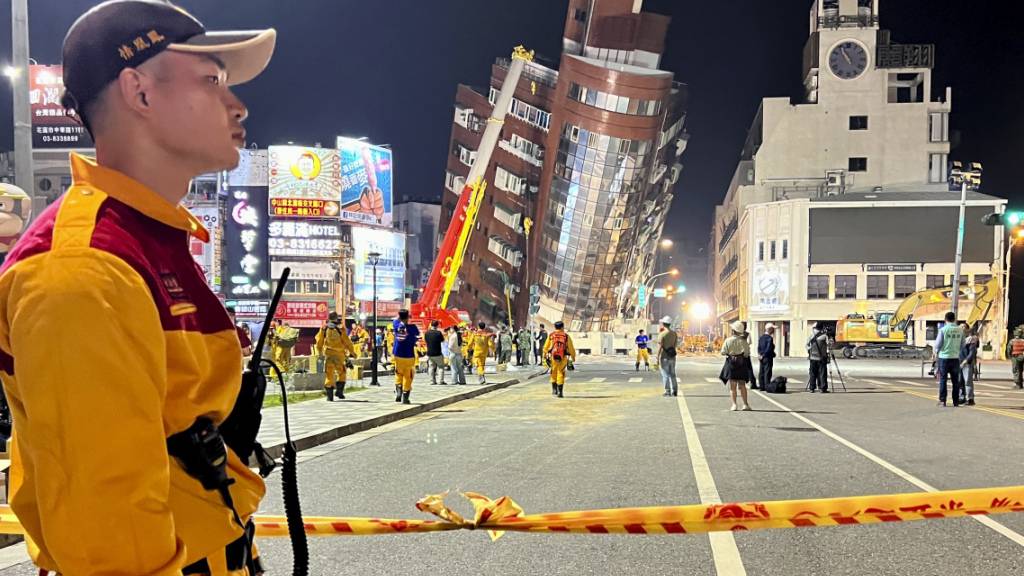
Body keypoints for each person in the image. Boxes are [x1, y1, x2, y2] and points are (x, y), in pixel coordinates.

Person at [0, 1, 277, 573]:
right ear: (140, 92)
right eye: (213, 79)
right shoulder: (83, 269)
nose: (237, 102)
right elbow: (112, 542)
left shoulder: (148, 239)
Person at [316, 312, 356, 401]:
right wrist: (352, 352)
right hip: (339, 355)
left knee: (329, 374)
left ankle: (329, 396)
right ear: (336, 318)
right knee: (341, 372)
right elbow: (347, 342)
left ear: (328, 318)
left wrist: (319, 352)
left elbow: (319, 341)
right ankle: (339, 392)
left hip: (328, 354)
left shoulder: (324, 328)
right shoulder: (340, 328)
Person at [934, 311, 964, 407]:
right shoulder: (960, 330)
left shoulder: (943, 330)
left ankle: (943, 400)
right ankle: (956, 401)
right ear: (954, 319)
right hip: (955, 358)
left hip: (944, 357)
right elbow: (963, 344)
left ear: (945, 320)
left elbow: (938, 344)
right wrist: (957, 351)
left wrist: (935, 352)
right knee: (955, 381)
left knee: (943, 379)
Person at [720, 321, 753, 411]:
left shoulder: (728, 340)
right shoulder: (743, 341)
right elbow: (747, 354)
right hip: (741, 365)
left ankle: (734, 405)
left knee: (732, 386)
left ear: (733, 331)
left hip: (731, 365)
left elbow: (723, 352)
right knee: (742, 385)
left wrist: (730, 353)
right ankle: (745, 404)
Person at [392, 309, 420, 404]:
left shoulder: (396, 325)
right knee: (408, 376)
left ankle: (398, 391)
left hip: (397, 354)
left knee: (398, 373)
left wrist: (401, 317)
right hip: (409, 355)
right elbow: (417, 335)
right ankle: (405, 396)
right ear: (408, 317)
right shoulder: (413, 328)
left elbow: (396, 320)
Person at [543, 321, 576, 398]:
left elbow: (545, 347)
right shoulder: (566, 336)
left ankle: (554, 390)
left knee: (553, 372)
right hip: (563, 357)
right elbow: (571, 348)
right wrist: (573, 357)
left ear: (555, 327)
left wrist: (544, 356)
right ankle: (560, 392)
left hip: (553, 357)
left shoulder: (551, 335)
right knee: (561, 373)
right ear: (562, 327)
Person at [657, 316, 679, 397]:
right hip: (672, 357)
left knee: (665, 374)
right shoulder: (674, 334)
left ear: (663, 324)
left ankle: (668, 391)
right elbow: (675, 345)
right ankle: (675, 391)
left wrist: (657, 357)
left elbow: (660, 346)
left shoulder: (662, 334)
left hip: (664, 357)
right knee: (673, 374)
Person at [806, 322, 830, 393]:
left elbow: (807, 345)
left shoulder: (811, 335)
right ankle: (822, 388)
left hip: (812, 357)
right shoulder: (825, 336)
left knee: (812, 372)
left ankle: (812, 388)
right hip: (822, 357)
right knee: (822, 372)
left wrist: (810, 350)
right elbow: (829, 346)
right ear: (822, 328)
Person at [959, 324, 978, 406]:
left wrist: (966, 361)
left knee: (967, 381)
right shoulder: (957, 339)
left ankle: (970, 398)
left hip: (967, 363)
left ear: (967, 329)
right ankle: (961, 397)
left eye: (964, 327)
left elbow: (972, 353)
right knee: (959, 381)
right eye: (960, 327)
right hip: (958, 362)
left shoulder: (971, 339)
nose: (962, 328)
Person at [424, 320, 446, 385]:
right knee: (441, 367)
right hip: (438, 352)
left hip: (430, 353)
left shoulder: (427, 333)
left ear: (431, 325)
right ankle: (441, 381)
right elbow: (442, 340)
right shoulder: (438, 333)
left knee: (431, 367)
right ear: (437, 325)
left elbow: (426, 340)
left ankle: (432, 381)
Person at [757, 324, 776, 391]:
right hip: (767, 357)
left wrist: (759, 354)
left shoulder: (761, 337)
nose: (773, 330)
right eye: (772, 329)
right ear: (769, 329)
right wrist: (764, 355)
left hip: (761, 357)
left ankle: (761, 386)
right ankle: (767, 386)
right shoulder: (769, 338)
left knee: (761, 371)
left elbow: (759, 347)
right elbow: (768, 348)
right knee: (767, 372)